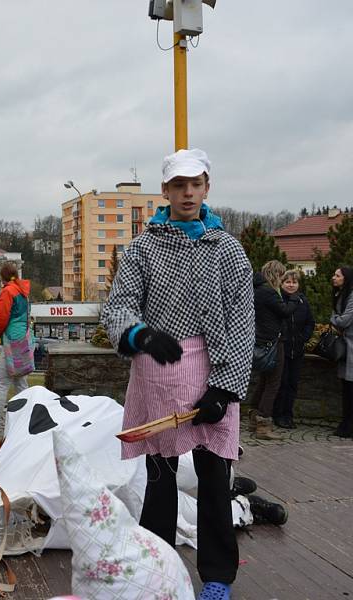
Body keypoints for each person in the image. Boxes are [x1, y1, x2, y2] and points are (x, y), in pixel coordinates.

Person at [101, 148, 254, 600]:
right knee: (161, 481)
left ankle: (217, 577)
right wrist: (140, 334)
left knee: (213, 479)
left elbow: (242, 318)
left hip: (215, 370)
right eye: (179, 185)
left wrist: (226, 387)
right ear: (165, 191)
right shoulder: (144, 248)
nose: (188, 192)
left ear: (207, 187)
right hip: (160, 375)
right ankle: (157, 569)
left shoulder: (227, 249)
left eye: (196, 184)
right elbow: (120, 305)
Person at [248, 260, 298, 439]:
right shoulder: (269, 292)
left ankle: (254, 417)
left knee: (263, 381)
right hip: (273, 343)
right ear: (276, 274)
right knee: (273, 383)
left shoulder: (256, 289)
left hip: (261, 340)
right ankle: (263, 424)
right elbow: (285, 311)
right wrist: (294, 298)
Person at [0, 262, 31, 436]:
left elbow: (2, 318)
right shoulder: (23, 291)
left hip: (11, 340)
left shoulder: (7, 292)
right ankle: (29, 421)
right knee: (20, 383)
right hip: (24, 338)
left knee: (1, 383)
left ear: (2, 277)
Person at [273, 269, 315, 429]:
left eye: (294, 282)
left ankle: (288, 415)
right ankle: (277, 415)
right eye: (288, 282)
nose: (291, 285)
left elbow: (310, 322)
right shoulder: (278, 300)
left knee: (292, 384)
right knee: (281, 383)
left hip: (297, 350)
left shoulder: (303, 301)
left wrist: (303, 338)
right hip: (282, 348)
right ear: (282, 283)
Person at [331, 266, 353, 437]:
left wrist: (333, 319)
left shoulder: (351, 296)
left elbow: (344, 320)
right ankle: (346, 424)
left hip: (351, 347)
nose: (334, 278)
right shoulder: (341, 295)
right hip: (347, 347)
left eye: (337, 276)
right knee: (346, 388)